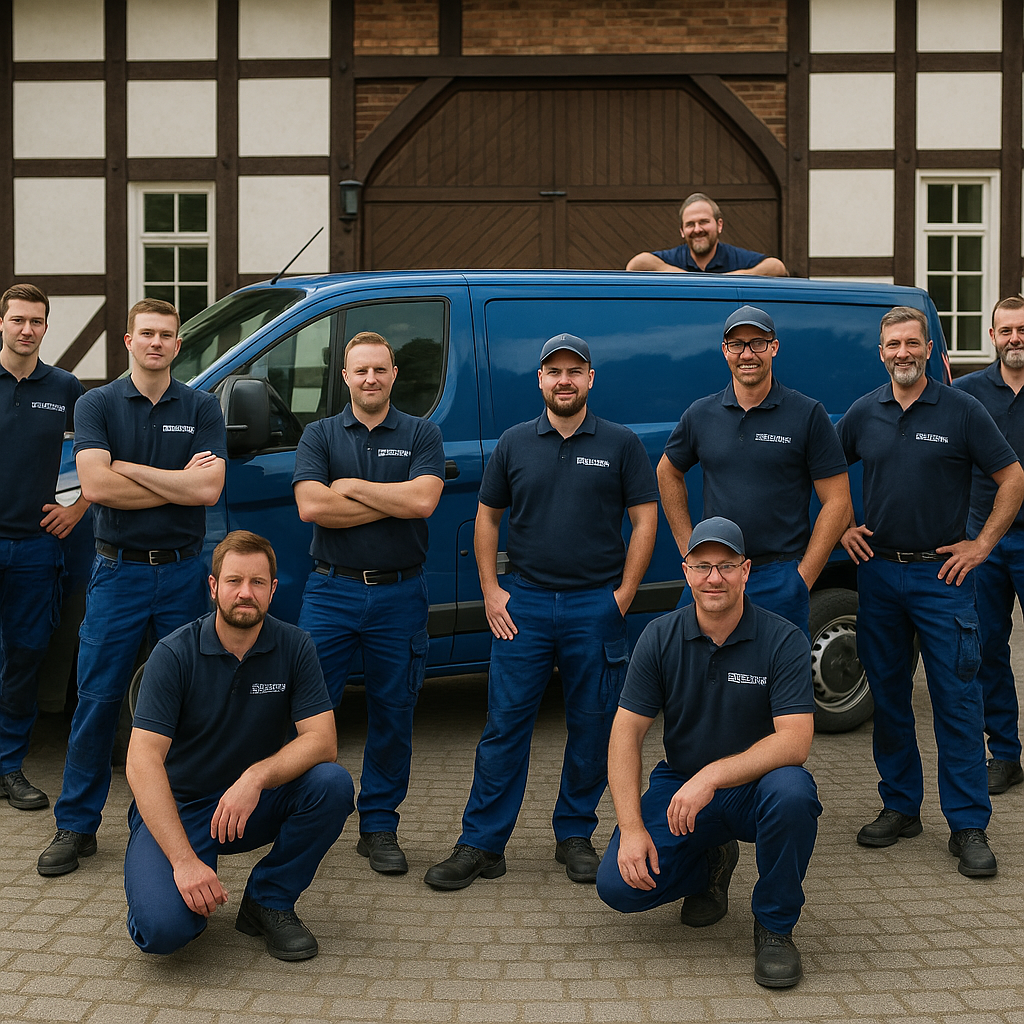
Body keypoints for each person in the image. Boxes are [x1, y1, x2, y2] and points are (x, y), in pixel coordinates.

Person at [424, 332, 659, 891]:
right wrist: (490, 589)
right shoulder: (513, 443)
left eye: (574, 371)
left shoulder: (621, 444)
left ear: (590, 380)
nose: (564, 380)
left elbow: (645, 518)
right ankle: (481, 843)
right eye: (554, 372)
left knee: (592, 725)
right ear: (540, 381)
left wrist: (623, 595)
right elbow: (486, 518)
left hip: (594, 606)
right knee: (504, 727)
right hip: (523, 604)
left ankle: (575, 834)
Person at [38, 298, 226, 876]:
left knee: (185, 704)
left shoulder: (201, 407)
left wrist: (131, 470)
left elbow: (208, 492)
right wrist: (173, 482)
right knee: (96, 700)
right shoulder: (96, 403)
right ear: (128, 340)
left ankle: (172, 822)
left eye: (167, 335)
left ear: (177, 344)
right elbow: (95, 483)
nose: (157, 343)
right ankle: (76, 825)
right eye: (147, 333)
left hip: (181, 572)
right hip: (117, 572)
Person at [837, 306, 1024, 877]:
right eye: (892, 344)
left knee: (957, 700)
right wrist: (841, 525)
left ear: (927, 349)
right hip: (880, 574)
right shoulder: (863, 413)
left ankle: (968, 824)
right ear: (881, 351)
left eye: (912, 343)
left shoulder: (962, 409)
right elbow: (820, 472)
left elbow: (1012, 477)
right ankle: (900, 806)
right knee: (890, 698)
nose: (902, 353)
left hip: (944, 577)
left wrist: (982, 545)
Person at [595, 517, 819, 989]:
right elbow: (624, 735)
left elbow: (795, 741)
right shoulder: (659, 636)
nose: (713, 577)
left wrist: (713, 775)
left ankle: (775, 928)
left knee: (794, 791)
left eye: (725, 566)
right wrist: (632, 828)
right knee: (618, 887)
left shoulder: (783, 640)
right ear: (686, 571)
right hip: (680, 789)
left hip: (754, 791)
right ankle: (709, 867)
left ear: (746, 570)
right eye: (702, 566)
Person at [124, 531, 353, 961]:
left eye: (258, 582)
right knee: (164, 930)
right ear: (213, 588)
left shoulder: (295, 646)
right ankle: (173, 881)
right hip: (182, 808)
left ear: (273, 590)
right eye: (233, 581)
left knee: (331, 784)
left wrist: (256, 777)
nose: (245, 593)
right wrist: (185, 861)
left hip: (250, 804)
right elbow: (142, 760)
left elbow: (323, 742)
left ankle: (268, 900)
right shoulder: (172, 654)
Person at [293, 330, 444, 876]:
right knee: (312, 711)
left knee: (393, 714)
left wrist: (351, 485)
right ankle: (304, 815)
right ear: (346, 376)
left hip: (400, 594)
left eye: (380, 369)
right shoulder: (320, 434)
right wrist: (393, 500)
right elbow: (311, 506)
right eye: (361, 371)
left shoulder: (422, 432)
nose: (371, 379)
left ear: (393, 374)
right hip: (330, 591)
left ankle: (379, 826)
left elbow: (425, 500)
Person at [657, 305, 851, 636]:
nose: (747, 354)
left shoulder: (807, 414)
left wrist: (803, 577)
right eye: (737, 344)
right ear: (725, 351)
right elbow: (667, 473)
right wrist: (690, 551)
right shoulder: (701, 414)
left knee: (778, 682)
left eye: (758, 343)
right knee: (698, 676)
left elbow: (838, 500)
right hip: (714, 575)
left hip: (779, 575)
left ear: (774, 347)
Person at [0, 284, 88, 811]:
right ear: (1, 323)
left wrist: (76, 509)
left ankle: (10, 766)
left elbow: (91, 458)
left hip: (36, 548)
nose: (26, 329)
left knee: (26, 656)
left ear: (46, 327)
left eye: (36, 321)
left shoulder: (67, 388)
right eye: (17, 319)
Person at [953, 296, 1024, 795]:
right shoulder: (968, 394)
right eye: (1007, 331)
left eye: (1023, 329)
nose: (1016, 338)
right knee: (989, 648)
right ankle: (1004, 753)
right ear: (992, 336)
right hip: (987, 542)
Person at [626, 193, 787, 276]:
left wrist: (729, 279)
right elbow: (636, 265)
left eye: (703, 222)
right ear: (682, 231)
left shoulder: (737, 258)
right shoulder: (673, 258)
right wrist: (690, 279)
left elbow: (777, 268)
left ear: (719, 225)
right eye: (690, 224)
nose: (697, 229)